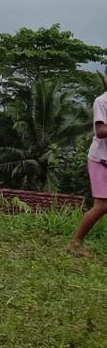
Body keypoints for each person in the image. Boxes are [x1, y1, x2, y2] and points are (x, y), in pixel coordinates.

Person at [70, 75, 107, 256]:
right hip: (100, 160)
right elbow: (100, 132)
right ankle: (75, 243)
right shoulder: (102, 101)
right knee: (102, 206)